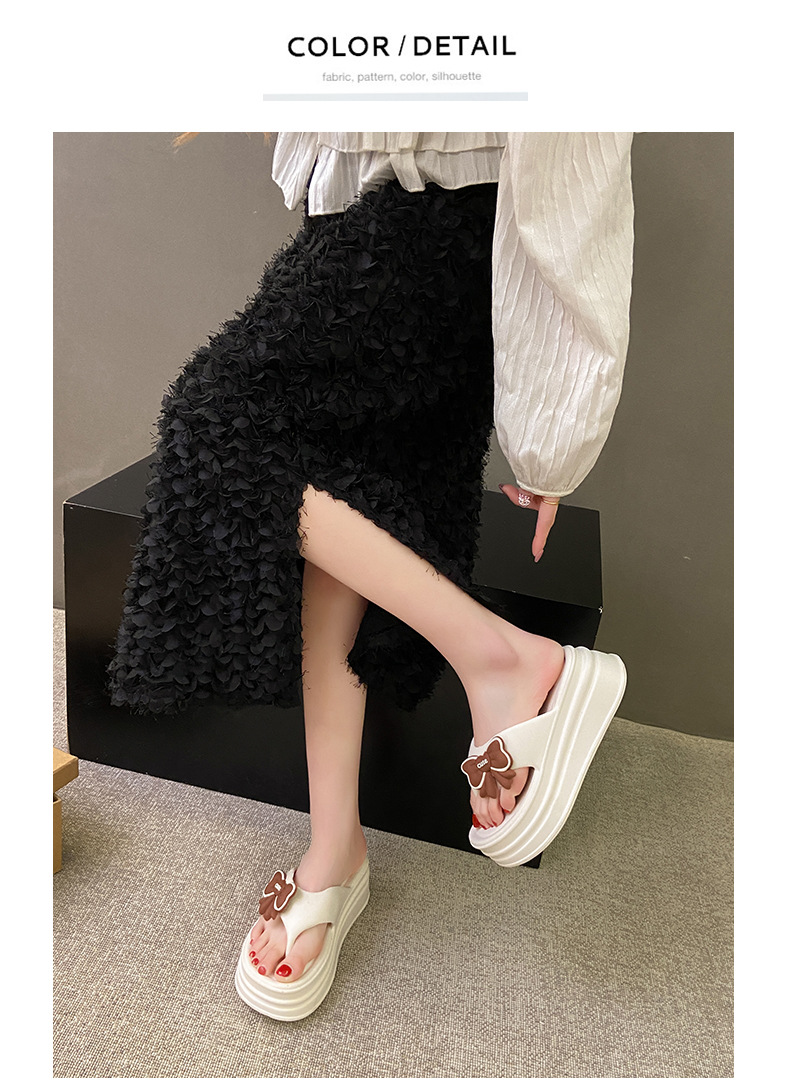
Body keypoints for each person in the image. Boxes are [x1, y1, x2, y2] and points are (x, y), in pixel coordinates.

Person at [107, 132, 635, 1021]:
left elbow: (580, 127)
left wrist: (557, 426)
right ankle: (336, 850)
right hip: (355, 207)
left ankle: (501, 659)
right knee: (346, 505)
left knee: (214, 419)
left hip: (449, 221)